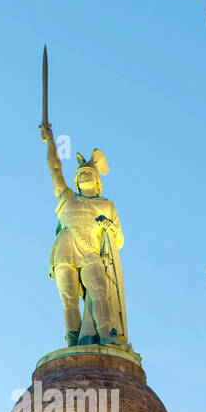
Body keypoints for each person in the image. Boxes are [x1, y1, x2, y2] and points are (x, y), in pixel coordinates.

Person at [39, 123, 126, 348]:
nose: (84, 174)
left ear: (98, 180)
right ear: (76, 181)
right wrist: (51, 141)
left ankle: (106, 334)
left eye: (89, 172)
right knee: (68, 299)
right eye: (80, 173)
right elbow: (55, 169)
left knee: (99, 289)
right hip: (65, 248)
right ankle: (73, 342)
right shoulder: (67, 199)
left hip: (90, 251)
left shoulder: (106, 205)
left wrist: (110, 227)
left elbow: (119, 241)